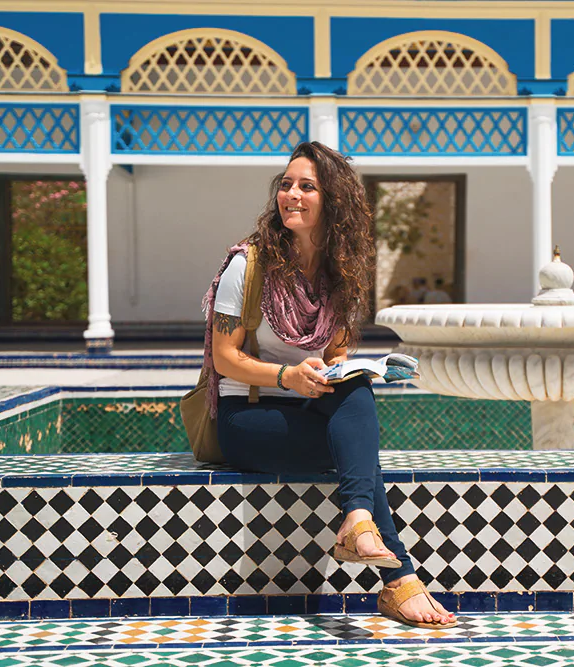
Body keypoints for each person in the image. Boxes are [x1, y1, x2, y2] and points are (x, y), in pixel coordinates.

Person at [204, 142, 456, 629]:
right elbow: (224, 359)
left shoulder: (341, 274)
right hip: (246, 418)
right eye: (286, 184)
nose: (290, 195)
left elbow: (334, 355)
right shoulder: (248, 265)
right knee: (361, 456)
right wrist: (287, 376)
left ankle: (361, 527)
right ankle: (394, 571)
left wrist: (340, 370)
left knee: (357, 391)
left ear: (332, 202)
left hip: (306, 405)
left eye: (306, 186)